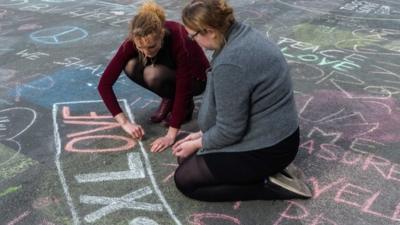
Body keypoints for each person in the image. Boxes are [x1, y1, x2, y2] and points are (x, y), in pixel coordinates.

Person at [171, 0, 312, 202]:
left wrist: (199, 142)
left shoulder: (232, 62)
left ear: (210, 30)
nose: (193, 41)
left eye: (193, 36)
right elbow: (236, 110)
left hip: (269, 148)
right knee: (184, 157)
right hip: (279, 136)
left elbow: (230, 130)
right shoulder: (242, 33)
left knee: (186, 180)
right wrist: (202, 135)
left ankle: (269, 187)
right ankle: (272, 171)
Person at [98, 1, 209, 152]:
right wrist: (124, 123)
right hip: (168, 70)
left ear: (161, 35)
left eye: (151, 46)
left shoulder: (178, 38)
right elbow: (104, 84)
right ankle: (169, 97)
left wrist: (170, 135)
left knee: (153, 74)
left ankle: (185, 106)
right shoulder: (135, 39)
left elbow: (184, 88)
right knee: (130, 66)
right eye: (140, 47)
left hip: (196, 79)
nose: (146, 52)